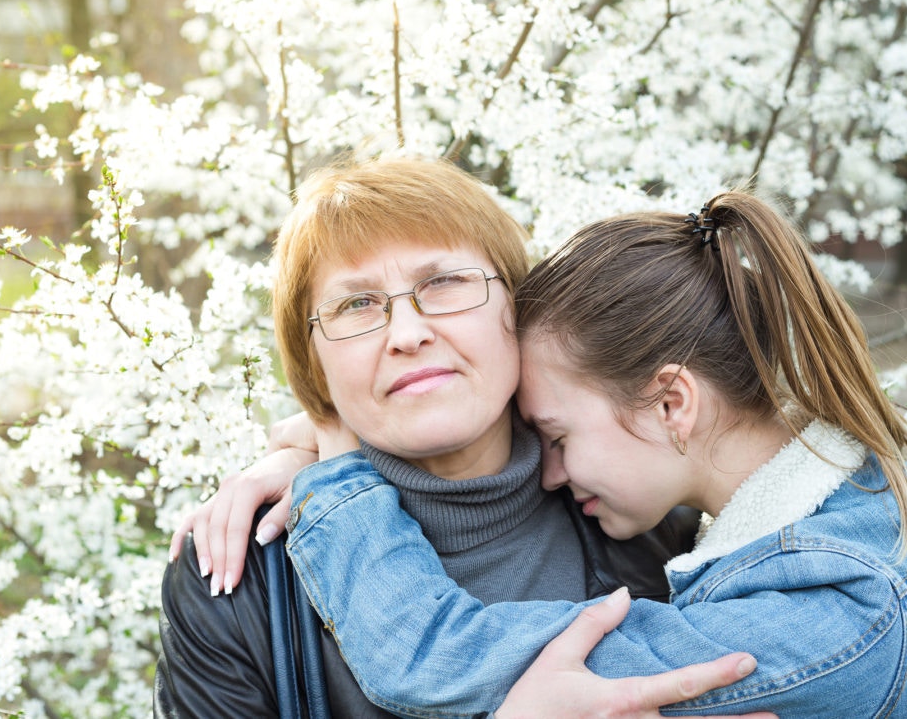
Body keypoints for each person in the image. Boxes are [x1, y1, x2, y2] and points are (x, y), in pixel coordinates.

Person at [276, 189, 907, 716]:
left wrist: (334, 475)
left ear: (672, 404)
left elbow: (427, 652)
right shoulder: (840, 517)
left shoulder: (830, 607)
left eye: (557, 437)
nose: (548, 470)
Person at [153, 157, 767, 717]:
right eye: (357, 306)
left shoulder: (662, 516)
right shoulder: (237, 581)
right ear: (314, 366)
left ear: (517, 310)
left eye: (445, 283)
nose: (406, 332)